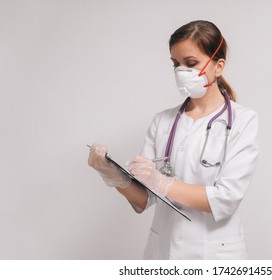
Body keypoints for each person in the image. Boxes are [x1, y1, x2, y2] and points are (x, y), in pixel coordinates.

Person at [88, 20, 259, 259]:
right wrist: (113, 175)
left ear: (218, 66)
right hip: (164, 252)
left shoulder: (243, 120)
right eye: (175, 64)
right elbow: (144, 199)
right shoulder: (163, 121)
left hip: (215, 255)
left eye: (190, 63)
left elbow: (225, 199)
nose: (181, 71)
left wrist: (162, 183)